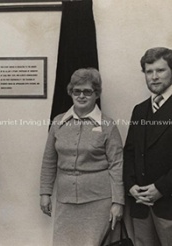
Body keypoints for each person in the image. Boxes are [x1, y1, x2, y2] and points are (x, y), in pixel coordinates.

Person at [123, 47, 172, 246]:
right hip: (140, 204)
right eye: (149, 72)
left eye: (160, 70)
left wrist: (160, 188)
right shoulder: (140, 110)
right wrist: (131, 185)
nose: (154, 77)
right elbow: (130, 152)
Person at [40, 68, 124, 246]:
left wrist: (118, 202)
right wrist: (45, 193)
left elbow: (117, 165)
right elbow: (49, 160)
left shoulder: (108, 125)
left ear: (96, 94)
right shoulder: (58, 122)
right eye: (76, 91)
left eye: (87, 91)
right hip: (65, 200)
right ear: (70, 92)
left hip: (98, 202)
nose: (81, 96)